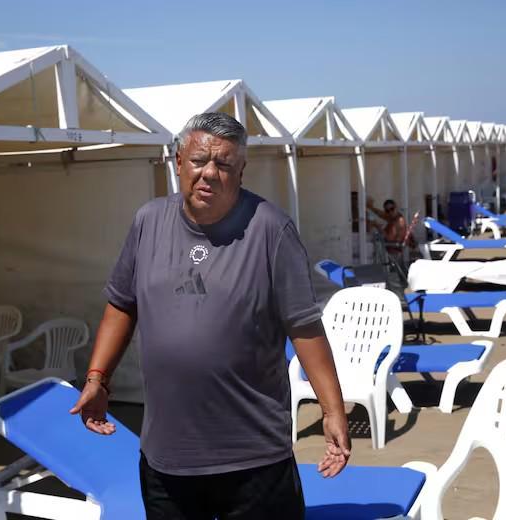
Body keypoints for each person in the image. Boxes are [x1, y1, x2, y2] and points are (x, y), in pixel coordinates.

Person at [70, 112, 350, 519]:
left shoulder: (271, 229)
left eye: (224, 164)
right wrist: (97, 379)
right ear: (178, 161)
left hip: (254, 458)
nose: (209, 173)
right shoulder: (149, 221)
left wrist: (333, 411)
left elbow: (304, 326)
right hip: (168, 458)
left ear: (241, 171)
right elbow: (122, 304)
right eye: (199, 160)